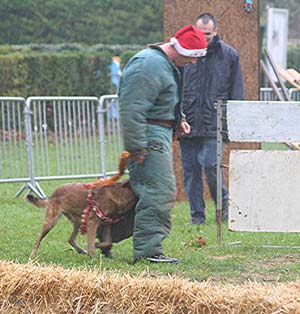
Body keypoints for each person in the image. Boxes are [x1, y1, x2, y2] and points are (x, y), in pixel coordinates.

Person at [118, 25, 207, 263]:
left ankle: (106, 236)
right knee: (159, 192)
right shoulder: (148, 65)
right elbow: (131, 108)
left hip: (157, 132)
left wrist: (179, 121)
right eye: (192, 57)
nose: (193, 63)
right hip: (148, 136)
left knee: (145, 192)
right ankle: (148, 252)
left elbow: (164, 101)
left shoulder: (165, 65)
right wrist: (136, 146)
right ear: (180, 49)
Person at [179, 13, 244, 225]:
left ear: (215, 31)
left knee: (210, 165)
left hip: (215, 124)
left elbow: (236, 92)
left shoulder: (229, 55)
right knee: (190, 173)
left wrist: (233, 123)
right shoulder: (186, 53)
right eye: (200, 33)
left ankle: (222, 207)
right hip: (188, 122)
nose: (204, 37)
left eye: (207, 33)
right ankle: (197, 216)